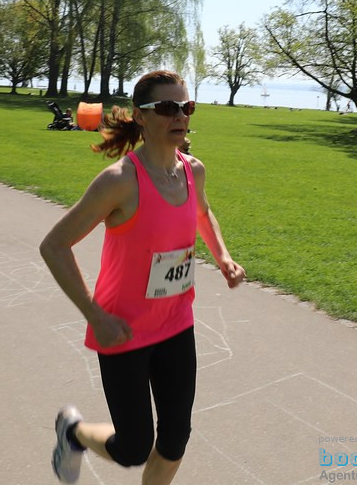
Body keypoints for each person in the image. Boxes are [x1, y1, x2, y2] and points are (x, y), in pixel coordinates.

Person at [40, 70, 246, 485]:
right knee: (134, 447)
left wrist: (222, 256)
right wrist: (94, 314)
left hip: (175, 322)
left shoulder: (193, 171)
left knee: (176, 438)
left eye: (186, 107)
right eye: (167, 108)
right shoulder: (119, 182)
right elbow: (54, 245)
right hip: (122, 330)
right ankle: (74, 432)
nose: (180, 116)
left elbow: (203, 214)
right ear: (141, 116)